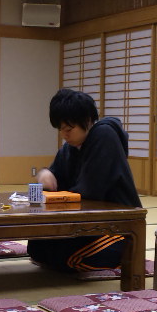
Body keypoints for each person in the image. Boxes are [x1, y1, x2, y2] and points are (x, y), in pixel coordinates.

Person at [27, 88, 141, 273]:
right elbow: (54, 176)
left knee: (68, 257)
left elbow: (90, 193)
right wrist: (44, 174)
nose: (64, 135)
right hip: (88, 225)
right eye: (61, 129)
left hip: (116, 228)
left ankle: (125, 258)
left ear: (87, 121)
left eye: (69, 129)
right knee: (37, 248)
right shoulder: (70, 148)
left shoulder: (104, 135)